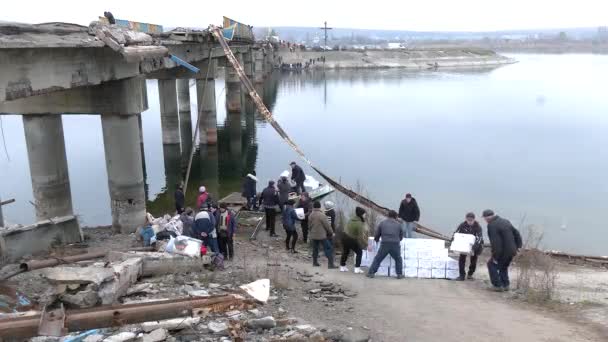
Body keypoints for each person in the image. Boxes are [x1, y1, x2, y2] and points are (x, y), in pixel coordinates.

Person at [483, 209, 523, 291]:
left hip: (503, 252)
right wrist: (518, 247)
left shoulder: (491, 225)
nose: (485, 220)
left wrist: (495, 256)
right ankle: (505, 285)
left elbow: (495, 242)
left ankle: (497, 286)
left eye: (485, 218)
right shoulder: (505, 221)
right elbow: (517, 233)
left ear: (487, 218)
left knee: (491, 265)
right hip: (512, 250)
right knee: (503, 267)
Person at [367, 210, 404, 279]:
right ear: (395, 217)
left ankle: (371, 273)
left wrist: (376, 240)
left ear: (388, 216)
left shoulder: (382, 223)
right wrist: (397, 240)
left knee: (378, 258)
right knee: (398, 259)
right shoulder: (398, 225)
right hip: (395, 244)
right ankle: (399, 274)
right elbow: (401, 236)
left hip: (385, 244)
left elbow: (377, 234)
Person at [452, 212, 484, 281]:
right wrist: (453, 239)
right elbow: (456, 233)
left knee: (473, 260)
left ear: (474, 219)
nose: (469, 222)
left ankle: (470, 274)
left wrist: (473, 248)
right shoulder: (462, 225)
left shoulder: (478, 227)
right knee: (462, 259)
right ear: (466, 219)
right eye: (468, 220)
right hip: (464, 245)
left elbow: (479, 238)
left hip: (475, 245)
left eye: (471, 220)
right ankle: (461, 275)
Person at [309, 201, 336, 268]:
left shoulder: (311, 215)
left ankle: (314, 263)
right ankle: (330, 264)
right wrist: (332, 232)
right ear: (320, 207)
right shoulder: (322, 215)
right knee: (328, 248)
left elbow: (309, 226)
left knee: (315, 249)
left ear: (314, 207)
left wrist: (311, 231)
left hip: (313, 235)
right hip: (322, 235)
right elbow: (327, 226)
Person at [341, 207, 368, 274]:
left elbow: (346, 228)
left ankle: (342, 266)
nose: (365, 215)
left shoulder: (351, 219)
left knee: (345, 251)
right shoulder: (359, 223)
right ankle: (357, 268)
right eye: (364, 214)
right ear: (361, 214)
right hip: (351, 238)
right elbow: (361, 236)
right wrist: (367, 244)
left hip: (344, 236)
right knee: (359, 252)